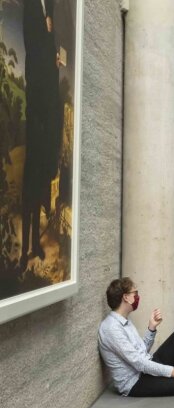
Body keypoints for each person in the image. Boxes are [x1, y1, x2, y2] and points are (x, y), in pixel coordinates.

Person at [20, 0, 63, 266]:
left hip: (47, 100)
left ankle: (34, 243)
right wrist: (47, 50)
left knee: (41, 179)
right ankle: (26, 247)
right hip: (38, 97)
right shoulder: (32, 6)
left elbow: (48, 45)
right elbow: (31, 47)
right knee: (31, 179)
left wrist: (55, 56)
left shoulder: (52, 7)